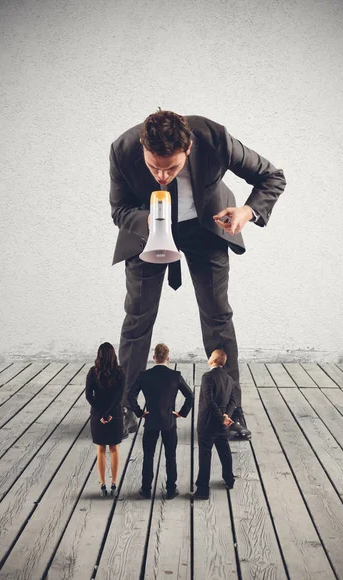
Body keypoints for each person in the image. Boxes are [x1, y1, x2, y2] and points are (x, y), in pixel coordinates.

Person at [109, 110, 286, 440]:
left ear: (188, 148)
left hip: (207, 227)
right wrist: (149, 220)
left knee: (218, 315)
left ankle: (230, 411)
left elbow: (272, 177)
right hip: (148, 231)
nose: (162, 175)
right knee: (137, 318)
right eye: (153, 166)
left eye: (172, 167)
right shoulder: (122, 149)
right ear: (142, 149)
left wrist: (246, 212)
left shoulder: (214, 138)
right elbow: (119, 210)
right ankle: (126, 407)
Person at [127, 343, 194, 500]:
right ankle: (171, 489)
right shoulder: (175, 376)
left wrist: (139, 412)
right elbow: (190, 396)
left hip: (150, 420)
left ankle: (146, 489)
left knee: (148, 456)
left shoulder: (144, 376)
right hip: (169, 421)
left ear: (154, 357)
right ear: (168, 358)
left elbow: (130, 396)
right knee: (170, 456)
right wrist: (181, 413)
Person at [193, 349, 236, 500]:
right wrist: (226, 416)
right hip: (222, 423)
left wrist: (220, 417)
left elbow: (209, 401)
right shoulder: (229, 379)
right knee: (224, 451)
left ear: (213, 360)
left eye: (211, 355)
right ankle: (229, 479)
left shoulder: (207, 377)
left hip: (207, 422)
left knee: (205, 454)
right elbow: (232, 401)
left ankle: (203, 489)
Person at [85, 342, 125, 497]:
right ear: (113, 355)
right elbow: (119, 396)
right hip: (115, 415)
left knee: (101, 449)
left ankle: (103, 485)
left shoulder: (92, 372)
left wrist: (101, 413)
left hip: (97, 416)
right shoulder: (120, 372)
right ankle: (114, 484)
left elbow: (89, 395)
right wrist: (109, 413)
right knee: (114, 448)